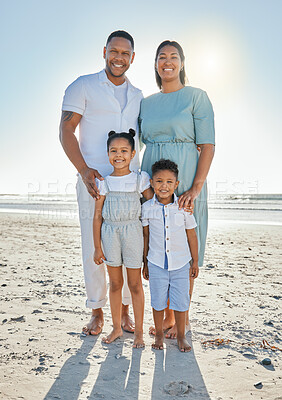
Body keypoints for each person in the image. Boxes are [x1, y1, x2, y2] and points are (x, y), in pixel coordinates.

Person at [59, 30, 143, 335]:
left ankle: (122, 313)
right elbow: (66, 131)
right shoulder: (82, 86)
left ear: (132, 58)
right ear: (104, 51)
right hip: (94, 181)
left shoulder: (138, 96)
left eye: (125, 53)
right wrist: (84, 170)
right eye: (114, 51)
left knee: (125, 245)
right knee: (94, 246)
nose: (118, 58)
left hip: (129, 184)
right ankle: (96, 310)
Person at [139, 40, 215, 338]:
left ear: (182, 62)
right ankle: (166, 315)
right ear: (156, 64)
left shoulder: (197, 97)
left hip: (185, 178)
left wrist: (195, 188)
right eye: (161, 57)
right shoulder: (146, 102)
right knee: (157, 241)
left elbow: (207, 145)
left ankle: (177, 318)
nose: (167, 62)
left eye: (173, 57)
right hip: (152, 178)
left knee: (183, 243)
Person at [93, 129, 153, 347]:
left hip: (133, 233)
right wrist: (97, 248)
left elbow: (151, 208)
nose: (119, 155)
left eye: (124, 150)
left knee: (136, 284)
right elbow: (97, 215)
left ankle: (139, 332)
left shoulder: (140, 179)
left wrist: (149, 242)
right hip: (110, 233)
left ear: (133, 153)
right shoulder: (104, 182)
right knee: (115, 283)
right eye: (113, 150)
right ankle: (117, 327)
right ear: (108, 153)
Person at [142, 159, 199, 352]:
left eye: (168, 182)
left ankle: (181, 336)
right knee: (158, 301)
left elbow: (191, 234)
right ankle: (159, 335)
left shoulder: (184, 207)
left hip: (181, 263)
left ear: (176, 184)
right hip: (156, 262)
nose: (163, 186)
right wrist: (145, 262)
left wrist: (195, 261)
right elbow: (146, 235)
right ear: (151, 183)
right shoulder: (147, 208)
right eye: (159, 181)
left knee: (181, 302)